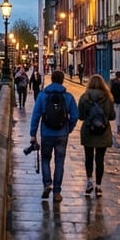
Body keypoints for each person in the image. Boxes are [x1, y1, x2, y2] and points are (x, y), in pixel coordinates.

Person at [29, 69, 79, 203]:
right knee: (59, 162)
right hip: (62, 134)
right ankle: (57, 192)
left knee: (45, 159)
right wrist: (69, 128)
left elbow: (36, 115)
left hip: (46, 133)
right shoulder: (68, 97)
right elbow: (75, 116)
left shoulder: (42, 95)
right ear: (63, 80)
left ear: (52, 80)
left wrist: (32, 134)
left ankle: (47, 184)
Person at [77, 74, 115, 198]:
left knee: (88, 158)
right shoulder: (108, 98)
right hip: (103, 132)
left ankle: (89, 181)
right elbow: (112, 116)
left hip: (88, 131)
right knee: (100, 159)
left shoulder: (84, 97)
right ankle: (98, 186)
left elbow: (81, 116)